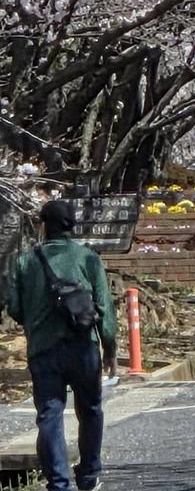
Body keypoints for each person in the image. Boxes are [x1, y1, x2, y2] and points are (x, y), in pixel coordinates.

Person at [6, 199, 118, 491]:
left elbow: (14, 307)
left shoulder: (26, 261)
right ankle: (89, 475)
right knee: (90, 408)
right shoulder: (88, 258)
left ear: (44, 226)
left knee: (50, 414)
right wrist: (110, 348)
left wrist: (35, 318)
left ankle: (59, 483)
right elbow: (104, 307)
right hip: (83, 347)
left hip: (43, 349)